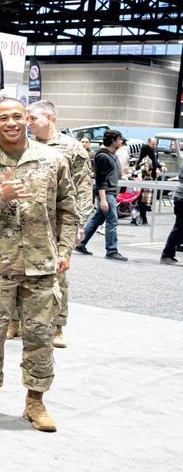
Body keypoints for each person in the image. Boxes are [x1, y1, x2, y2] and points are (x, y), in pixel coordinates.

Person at [0, 98, 76, 432]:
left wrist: (65, 249)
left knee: (39, 337)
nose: (11, 122)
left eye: (17, 116)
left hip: (41, 266)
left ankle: (35, 403)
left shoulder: (53, 160)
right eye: (2, 118)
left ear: (27, 120)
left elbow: (68, 209)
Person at [22, 100, 94, 348]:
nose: (27, 123)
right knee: (16, 270)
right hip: (24, 222)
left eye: (32, 118)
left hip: (57, 223)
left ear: (49, 118)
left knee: (56, 275)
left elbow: (83, 188)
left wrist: (79, 224)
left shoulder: (72, 148)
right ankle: (13, 321)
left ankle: (56, 327)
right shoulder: (22, 145)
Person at [75, 129, 128, 261]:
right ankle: (111, 250)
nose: (121, 141)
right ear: (113, 140)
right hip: (107, 193)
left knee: (98, 219)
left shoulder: (112, 155)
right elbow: (101, 179)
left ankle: (81, 243)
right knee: (112, 221)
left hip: (110, 192)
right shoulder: (103, 156)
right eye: (119, 139)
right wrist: (103, 199)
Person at [160, 165, 183, 266]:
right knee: (179, 227)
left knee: (179, 227)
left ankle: (167, 255)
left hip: (180, 197)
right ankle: (166, 255)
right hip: (181, 197)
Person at [131, 143, 156, 226]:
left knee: (141, 202)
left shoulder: (146, 159)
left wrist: (134, 171)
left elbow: (144, 170)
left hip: (144, 183)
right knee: (141, 202)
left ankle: (143, 218)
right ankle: (141, 218)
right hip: (145, 183)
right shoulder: (149, 158)